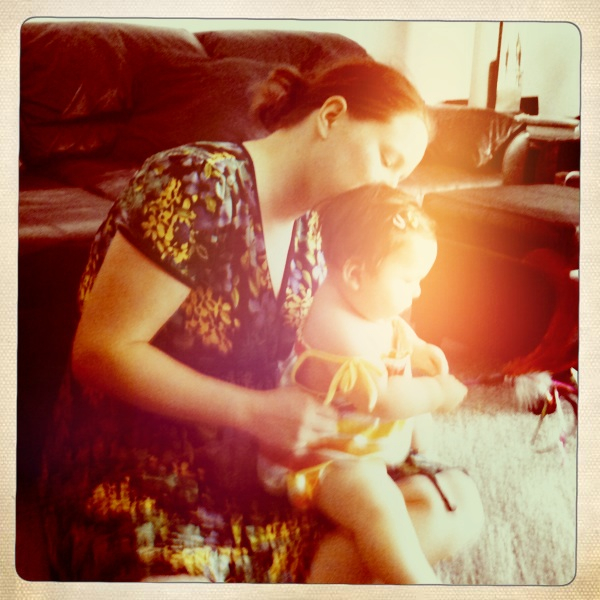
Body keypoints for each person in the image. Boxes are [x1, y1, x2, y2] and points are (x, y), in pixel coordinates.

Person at [39, 56, 481, 583]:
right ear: (331, 116)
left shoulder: (317, 226)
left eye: (402, 177)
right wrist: (252, 412)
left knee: (453, 509)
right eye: (387, 160)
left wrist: (407, 349)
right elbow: (99, 352)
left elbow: (352, 322)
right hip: (147, 462)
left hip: (263, 461)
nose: (389, 188)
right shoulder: (196, 183)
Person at [257, 184, 482, 584]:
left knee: (435, 494)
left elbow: (392, 328)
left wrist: (417, 348)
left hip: (366, 445)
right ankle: (419, 585)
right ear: (355, 273)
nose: (417, 290)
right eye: (409, 279)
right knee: (378, 504)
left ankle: (338, 562)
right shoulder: (332, 323)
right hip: (325, 459)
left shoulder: (365, 302)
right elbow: (382, 399)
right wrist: (437, 393)